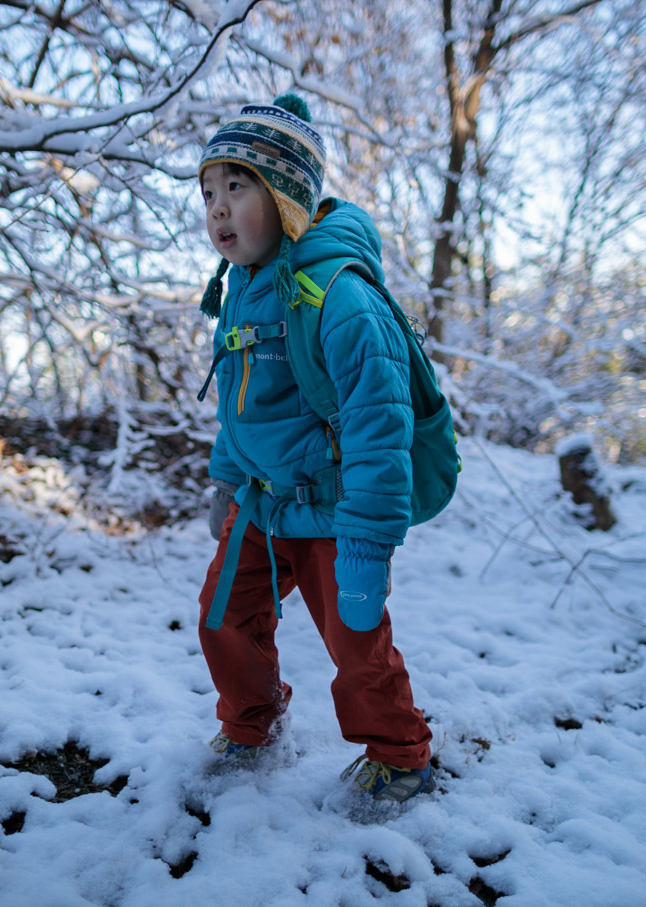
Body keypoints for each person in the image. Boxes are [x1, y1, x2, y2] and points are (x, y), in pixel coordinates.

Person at [192, 93, 433, 803]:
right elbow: (243, 403)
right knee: (222, 616)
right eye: (208, 191)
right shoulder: (240, 289)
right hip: (263, 504)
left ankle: (401, 755)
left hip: (333, 509)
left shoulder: (341, 298)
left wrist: (366, 542)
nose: (217, 208)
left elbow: (379, 427)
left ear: (288, 197)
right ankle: (252, 725)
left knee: (357, 642)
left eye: (238, 187)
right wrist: (226, 480)